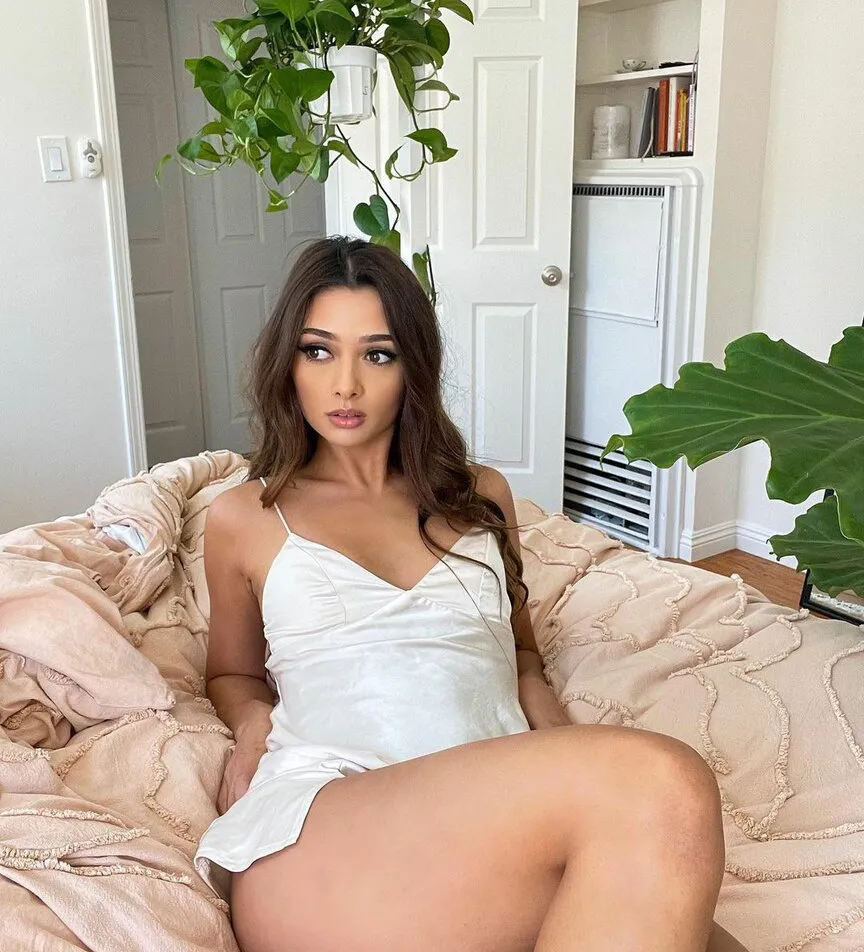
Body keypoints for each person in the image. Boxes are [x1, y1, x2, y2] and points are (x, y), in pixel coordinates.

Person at [195, 237, 748, 952]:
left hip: (487, 835)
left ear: (414, 367)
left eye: (378, 355)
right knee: (665, 784)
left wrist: (549, 715)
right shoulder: (245, 516)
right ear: (288, 362)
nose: (345, 386)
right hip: (324, 831)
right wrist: (251, 725)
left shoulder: (479, 495)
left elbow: (520, 650)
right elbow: (232, 673)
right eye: (319, 351)